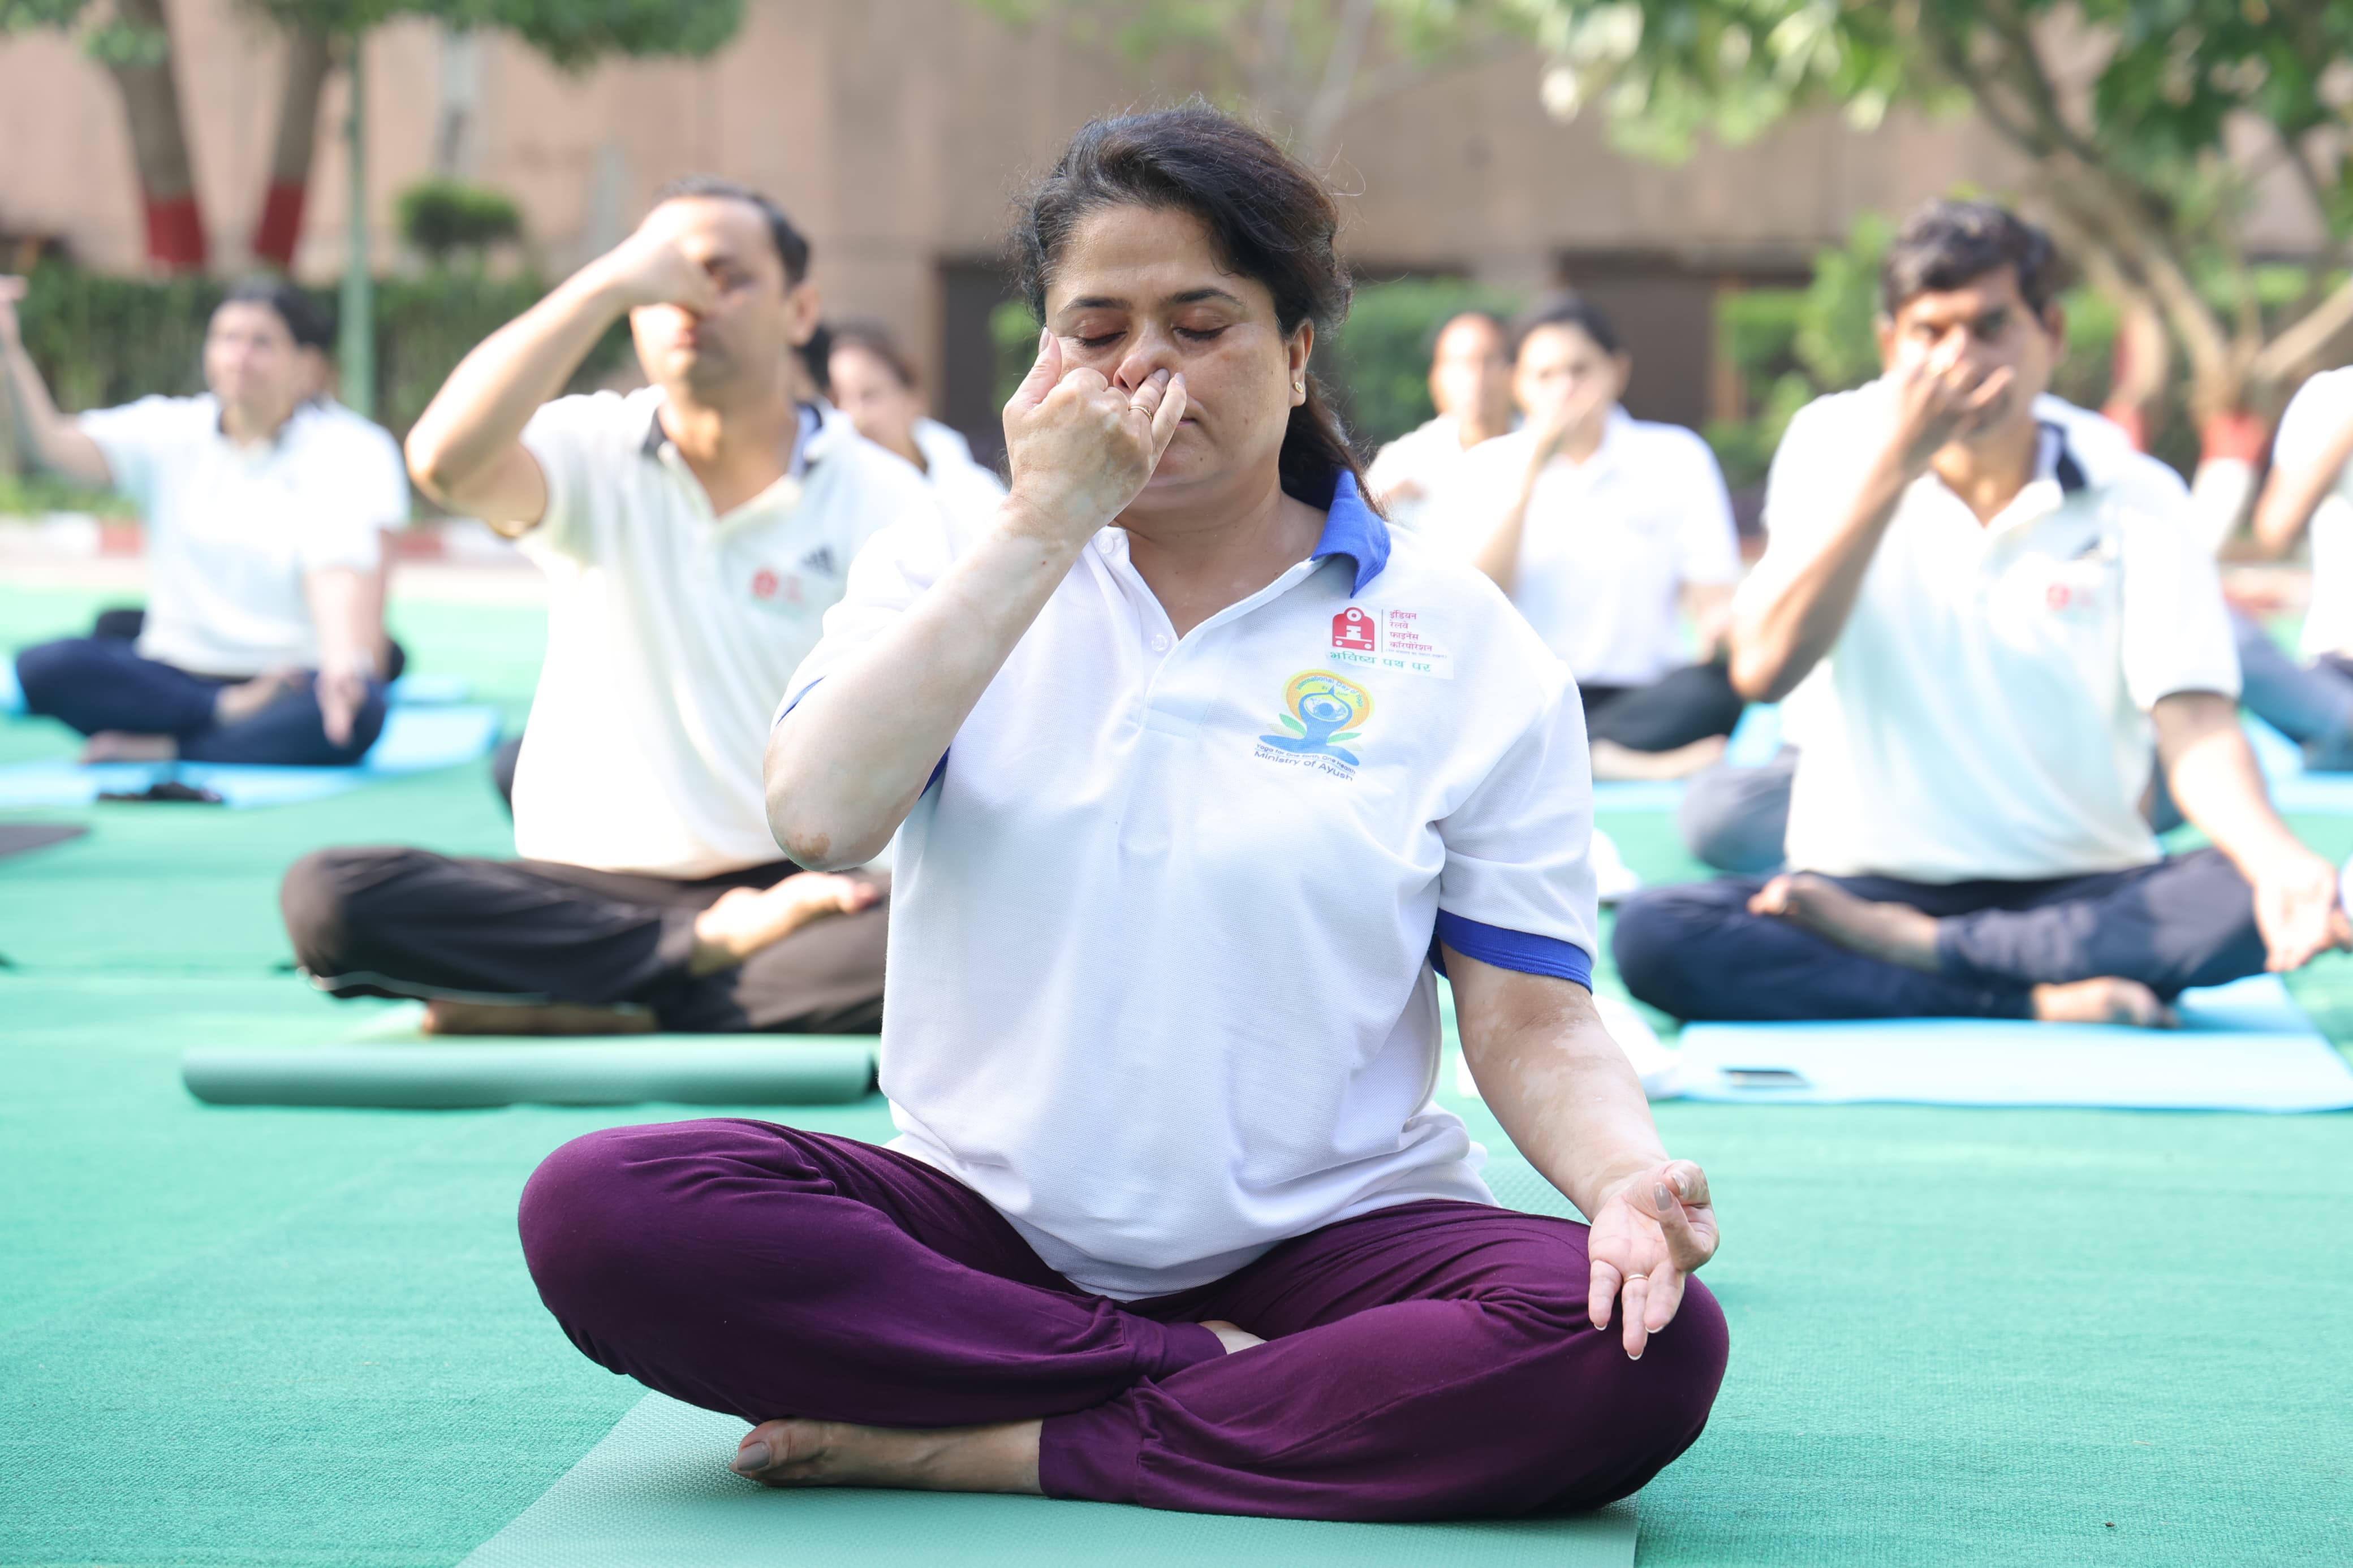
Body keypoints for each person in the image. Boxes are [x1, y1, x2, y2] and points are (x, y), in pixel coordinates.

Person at [517, 107, 1726, 1522]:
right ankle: (1214, 1383)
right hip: (980, 1230)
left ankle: (1006, 1438)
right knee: (605, 1211)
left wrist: (1625, 1178)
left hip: (1332, 1238)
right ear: (1042, 362)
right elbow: (821, 816)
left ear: (1293, 352)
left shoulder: (1457, 637)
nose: (1143, 365)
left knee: (1642, 1346)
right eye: (1095, 329)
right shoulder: (948, 560)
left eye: (1200, 321)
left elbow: (1532, 1020)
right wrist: (1039, 530)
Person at [1613, 200, 2348, 1026]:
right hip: (1868, 879)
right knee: (1655, 935)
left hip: (2081, 880)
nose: (1960, 359)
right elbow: (1763, 666)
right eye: (1931, 333)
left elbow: (2197, 722)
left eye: (1990, 327)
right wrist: (1892, 471)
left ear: (2052, 335)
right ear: (1893, 344)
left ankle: (1929, 957)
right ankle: (2028, 993)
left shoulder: (2133, 487)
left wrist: (2276, 859)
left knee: (2262, 891)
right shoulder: (1833, 446)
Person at [278, 177, 936, 1036]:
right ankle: (686, 962)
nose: (692, 303)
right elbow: (442, 462)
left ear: (800, 310)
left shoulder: (882, 494)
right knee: (330, 897)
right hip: (587, 890)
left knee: (947, 943)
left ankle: (590, 997)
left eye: (726, 277)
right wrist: (603, 282)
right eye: (663, 283)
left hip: (802, 891)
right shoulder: (592, 447)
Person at [2, 276, 404, 766]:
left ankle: (168, 745)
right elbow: (51, 446)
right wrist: (10, 352)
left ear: (305, 362)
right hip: (178, 673)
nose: (240, 356)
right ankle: (223, 714)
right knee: (47, 666)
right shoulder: (169, 430)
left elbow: (335, 566)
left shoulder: (342, 450)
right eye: (228, 339)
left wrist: (345, 660)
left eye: (262, 343)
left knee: (360, 714)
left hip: (286, 677)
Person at [1427, 295, 1745, 780]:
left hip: (1643, 694)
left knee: (1721, 688)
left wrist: (1724, 630)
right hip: (1528, 696)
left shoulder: (1678, 458)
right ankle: (1602, 759)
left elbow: (1713, 600)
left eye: (1580, 370)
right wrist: (1532, 470)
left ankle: (1572, 759)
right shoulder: (1485, 468)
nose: (1565, 389)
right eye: (1545, 375)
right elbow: (1475, 597)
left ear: (1616, 371)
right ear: (1518, 384)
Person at [826, 319, 1009, 525]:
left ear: (915, 400)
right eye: (836, 401)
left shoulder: (979, 495)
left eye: (869, 396)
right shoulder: (826, 507)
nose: (853, 415)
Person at [1363, 309, 1515, 532]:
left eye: (1489, 360)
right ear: (1435, 378)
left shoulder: (1542, 451)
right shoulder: (1404, 460)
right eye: (1460, 363)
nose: (1475, 378)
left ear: (1514, 371)